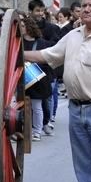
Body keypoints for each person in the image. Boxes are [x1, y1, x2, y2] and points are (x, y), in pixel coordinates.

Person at [24, 0, 91, 182]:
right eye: (85, 5)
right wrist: (14, 54)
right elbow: (46, 56)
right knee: (85, 164)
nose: (87, 9)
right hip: (76, 110)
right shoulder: (73, 37)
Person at [20, 13, 53, 141]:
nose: (21, 28)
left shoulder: (42, 43)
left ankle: (37, 131)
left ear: (29, 27)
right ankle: (23, 129)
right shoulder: (18, 42)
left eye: (23, 26)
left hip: (37, 79)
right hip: (21, 79)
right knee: (21, 106)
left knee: (36, 106)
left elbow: (47, 61)